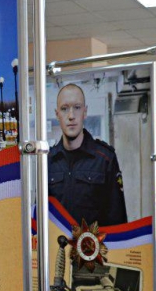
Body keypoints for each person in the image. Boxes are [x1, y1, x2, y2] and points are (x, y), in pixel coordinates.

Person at [47, 84, 128, 227]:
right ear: (57, 114)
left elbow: (118, 222)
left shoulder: (104, 159)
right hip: (57, 242)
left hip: (95, 242)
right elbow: (40, 218)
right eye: (64, 109)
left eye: (77, 107)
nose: (71, 116)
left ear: (85, 112)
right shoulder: (48, 161)